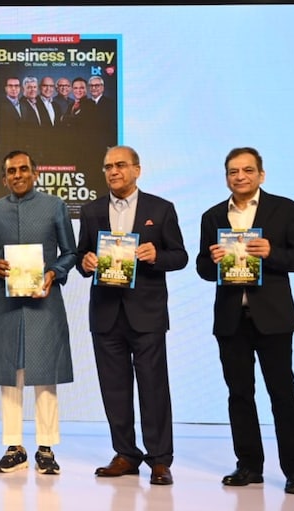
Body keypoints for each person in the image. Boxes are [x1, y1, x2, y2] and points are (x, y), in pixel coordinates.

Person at [196, 147, 294, 495]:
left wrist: (271, 254)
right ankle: (248, 465)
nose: (240, 176)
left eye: (248, 170)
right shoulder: (213, 215)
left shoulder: (285, 208)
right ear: (226, 176)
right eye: (233, 171)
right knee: (239, 395)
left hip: (273, 319)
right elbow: (202, 268)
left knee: (283, 394)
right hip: (232, 319)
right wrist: (213, 260)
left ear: (261, 174)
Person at [76, 145, 187, 486]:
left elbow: (180, 256)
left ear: (137, 170)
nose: (113, 171)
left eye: (121, 165)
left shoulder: (161, 209)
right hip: (106, 313)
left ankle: (159, 459)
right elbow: (82, 256)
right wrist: (86, 262)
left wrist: (156, 255)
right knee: (115, 388)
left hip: (147, 313)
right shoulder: (92, 210)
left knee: (153, 387)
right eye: (108, 166)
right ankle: (125, 453)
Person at [0, 150, 76, 475]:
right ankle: (14, 446)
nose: (18, 175)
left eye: (24, 169)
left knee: (44, 374)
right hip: (7, 303)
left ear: (35, 173)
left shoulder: (55, 207)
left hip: (44, 301)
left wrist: (53, 273)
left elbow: (71, 253)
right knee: (10, 376)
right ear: (5, 177)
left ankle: (46, 448)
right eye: (11, 171)